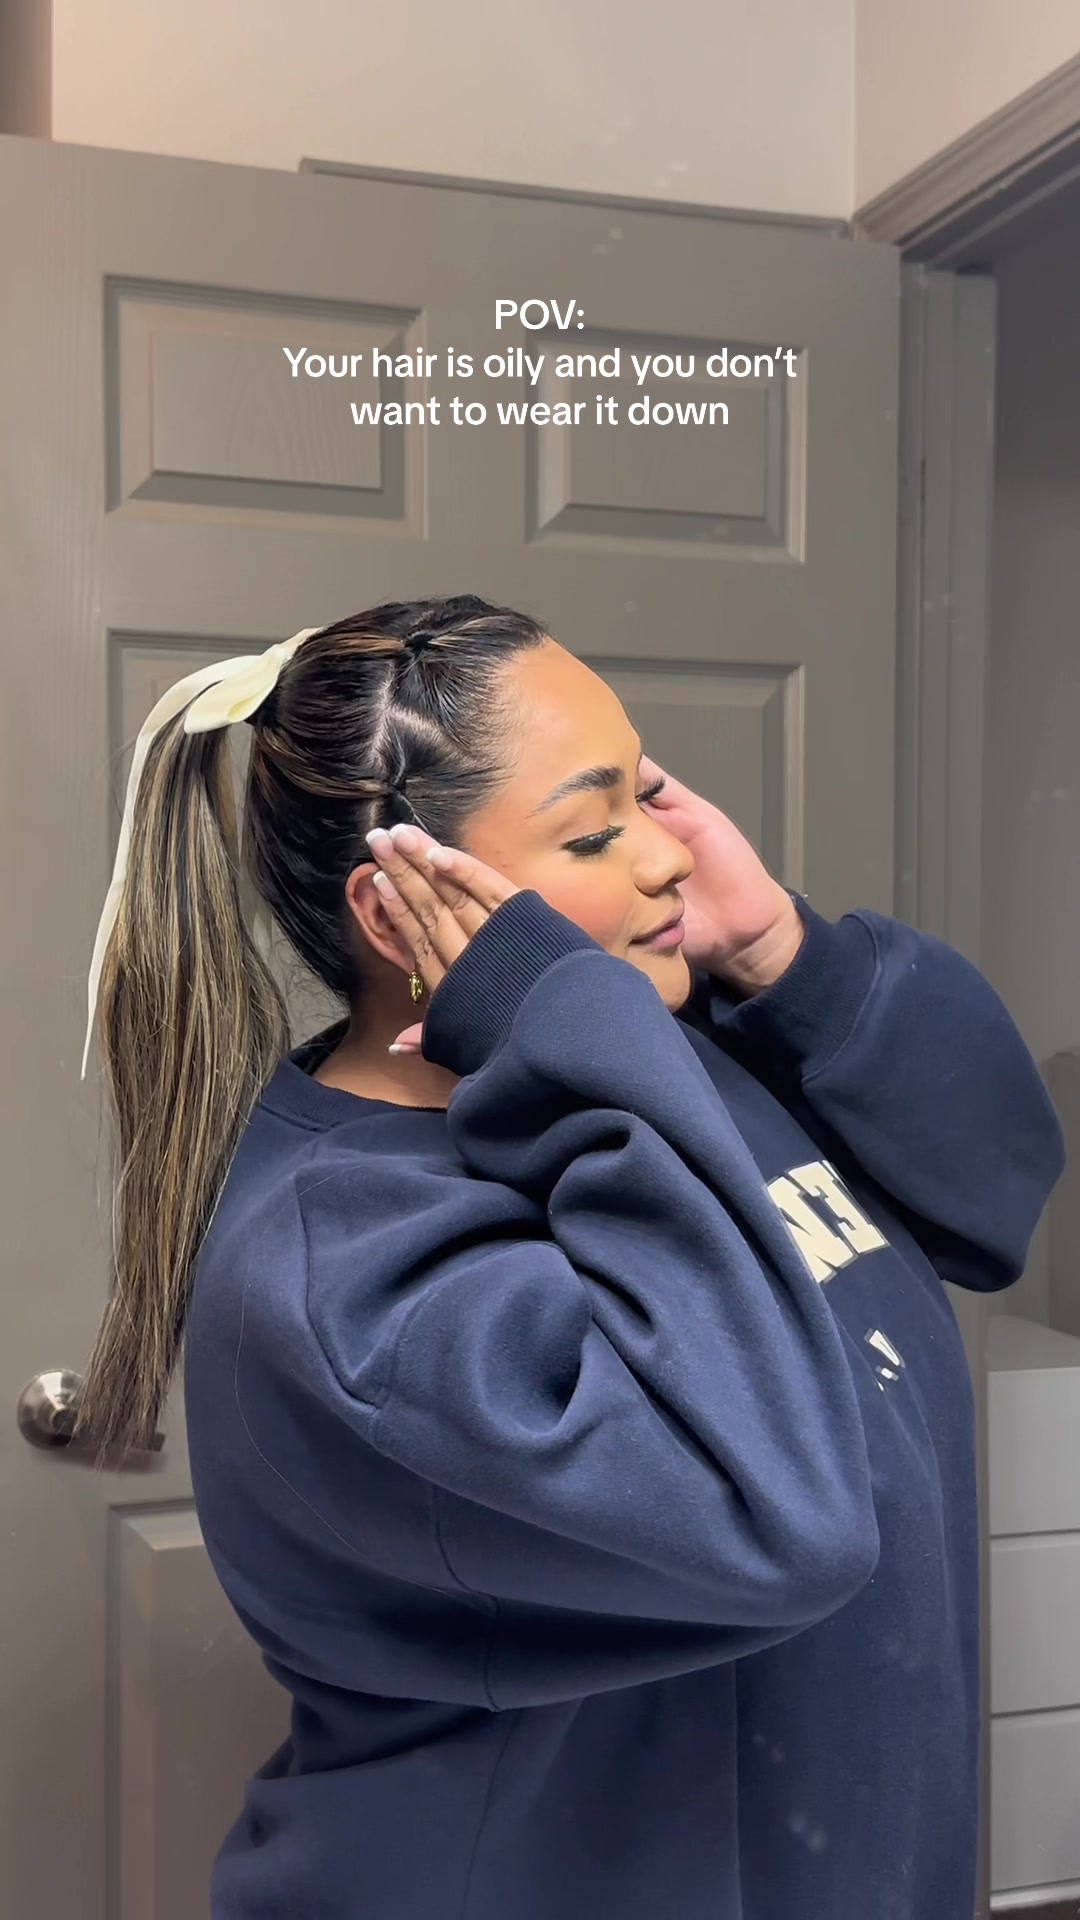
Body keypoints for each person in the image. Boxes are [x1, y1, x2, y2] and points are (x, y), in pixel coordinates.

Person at [76, 594, 1063, 1920]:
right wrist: (566, 1025)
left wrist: (779, 954)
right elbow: (785, 1524)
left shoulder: (671, 1071)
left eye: (646, 794)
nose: (666, 854)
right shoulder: (350, 1273)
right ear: (398, 911)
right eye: (595, 830)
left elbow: (994, 1192)